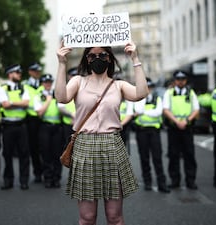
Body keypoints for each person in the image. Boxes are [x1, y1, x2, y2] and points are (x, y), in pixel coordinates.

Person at [55, 41, 148, 225]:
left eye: (103, 55)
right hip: (84, 147)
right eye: (92, 55)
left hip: (112, 146)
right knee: (87, 218)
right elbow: (61, 97)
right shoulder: (78, 81)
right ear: (87, 59)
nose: (98, 58)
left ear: (110, 58)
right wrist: (62, 63)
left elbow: (141, 93)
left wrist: (135, 59)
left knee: (115, 217)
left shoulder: (118, 85)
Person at [162, 70, 199, 190]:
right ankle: (175, 180)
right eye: (178, 79)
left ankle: (191, 181)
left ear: (186, 80)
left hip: (187, 128)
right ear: (175, 81)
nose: (181, 81)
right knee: (173, 155)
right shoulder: (169, 93)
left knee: (189, 155)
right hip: (174, 128)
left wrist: (186, 121)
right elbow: (166, 109)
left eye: (183, 79)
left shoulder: (191, 92)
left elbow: (196, 110)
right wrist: (177, 121)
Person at [133, 77, 170, 193]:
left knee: (157, 157)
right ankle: (147, 182)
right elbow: (138, 110)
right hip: (142, 131)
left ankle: (161, 183)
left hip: (154, 131)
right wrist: (144, 103)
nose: (148, 90)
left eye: (150, 87)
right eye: (146, 87)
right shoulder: (138, 99)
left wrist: (143, 112)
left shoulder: (157, 98)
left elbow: (158, 112)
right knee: (144, 158)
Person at [0, 64, 30, 190]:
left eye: (19, 72)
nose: (19, 74)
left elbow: (26, 103)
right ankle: (8, 180)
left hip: (21, 125)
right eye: (17, 72)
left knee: (24, 154)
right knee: (7, 154)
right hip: (8, 125)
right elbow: (4, 105)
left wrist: (11, 103)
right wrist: (18, 103)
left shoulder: (23, 87)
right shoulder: (3, 88)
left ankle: (24, 181)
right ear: (10, 74)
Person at [34, 74, 63, 188]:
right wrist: (48, 100)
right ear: (42, 83)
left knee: (57, 154)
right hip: (44, 126)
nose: (48, 84)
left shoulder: (57, 94)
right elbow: (39, 112)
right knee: (46, 153)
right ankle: (47, 178)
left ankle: (56, 178)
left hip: (57, 127)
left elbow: (62, 108)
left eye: (50, 82)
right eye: (46, 82)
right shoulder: (38, 95)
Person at [23, 62, 44, 183]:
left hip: (42, 118)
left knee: (43, 147)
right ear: (30, 72)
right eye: (35, 71)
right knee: (33, 147)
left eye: (38, 71)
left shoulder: (43, 83)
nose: (37, 73)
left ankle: (45, 170)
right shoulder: (24, 85)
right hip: (30, 119)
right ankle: (37, 172)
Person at [58, 67, 77, 149]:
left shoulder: (83, 89)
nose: (74, 77)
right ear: (69, 76)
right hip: (68, 124)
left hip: (81, 125)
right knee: (68, 148)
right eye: (73, 75)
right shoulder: (64, 89)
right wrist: (72, 115)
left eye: (76, 75)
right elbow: (60, 107)